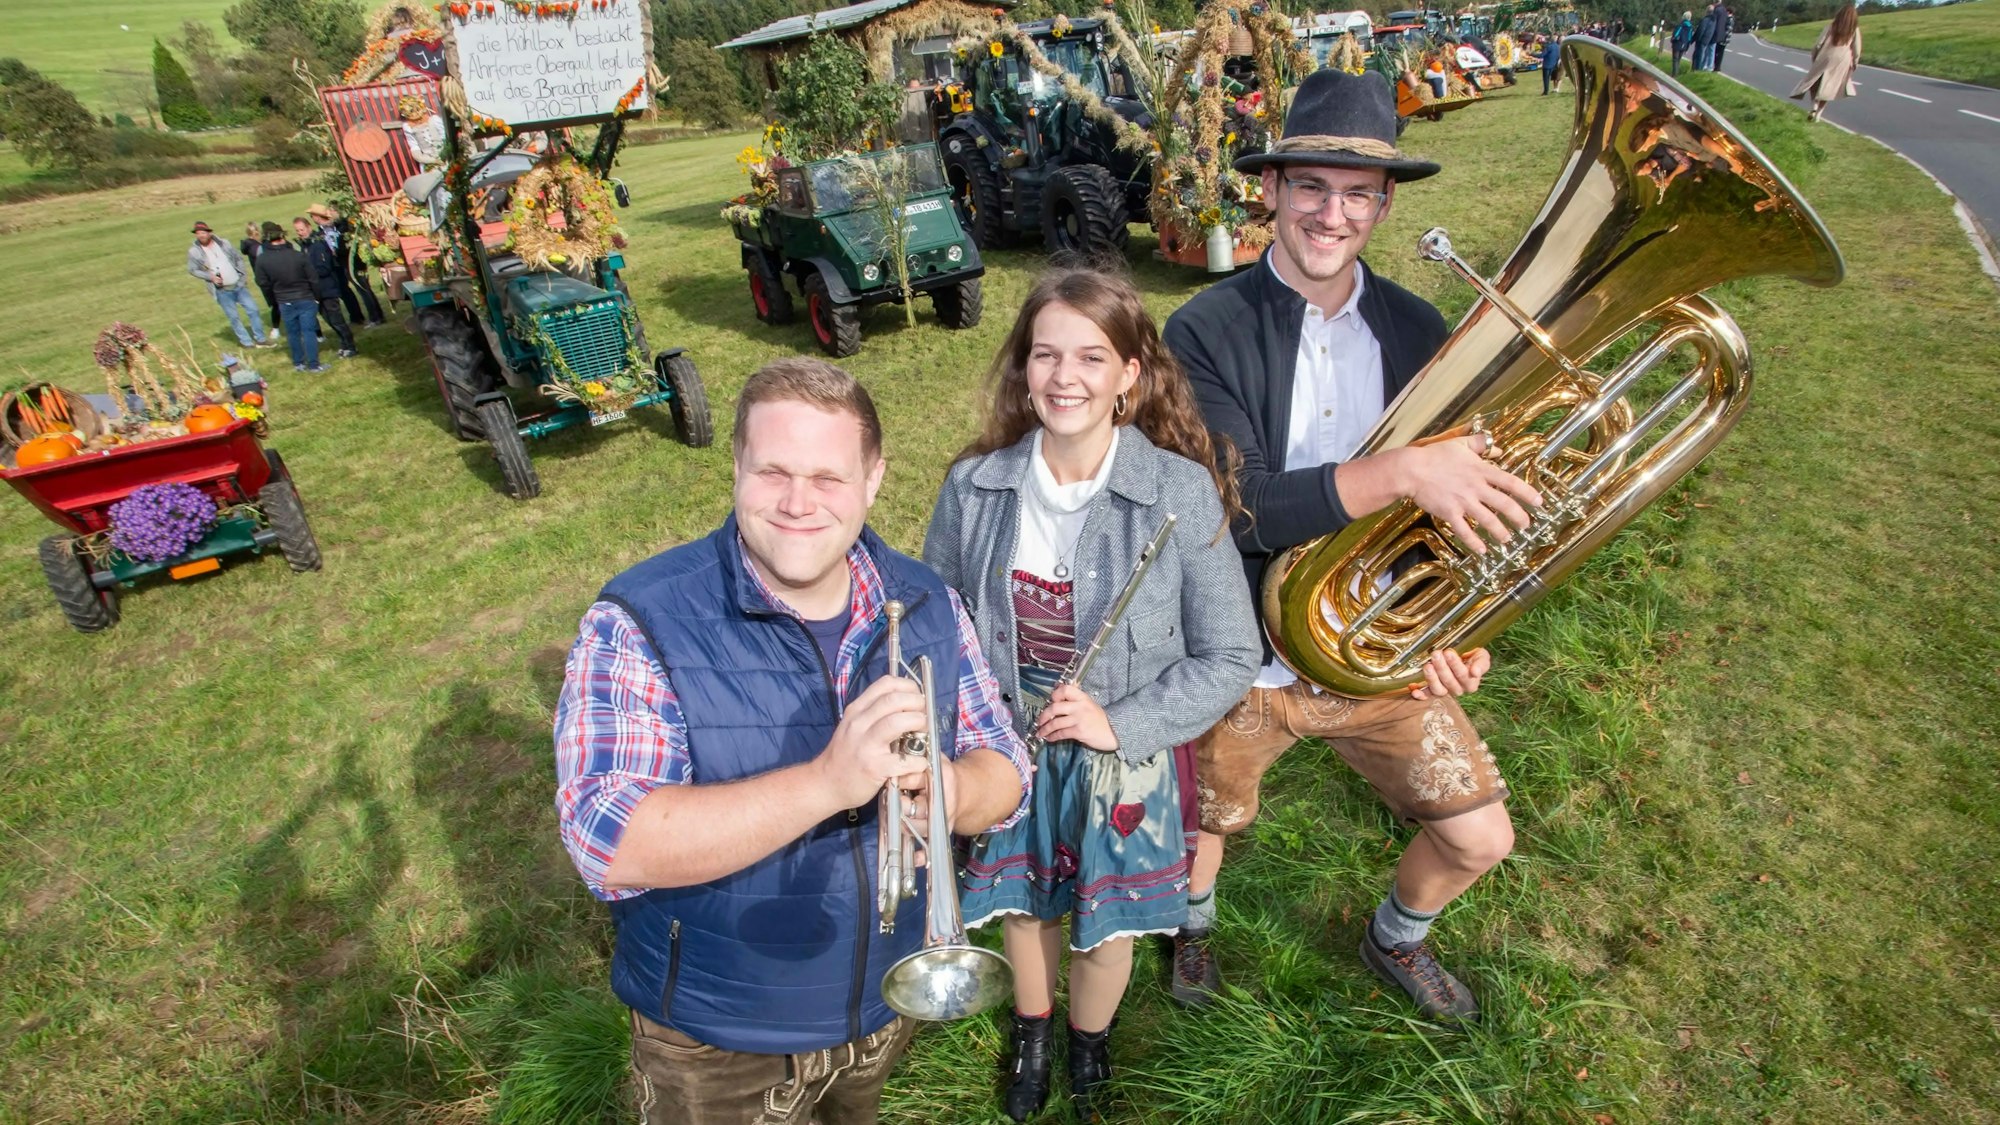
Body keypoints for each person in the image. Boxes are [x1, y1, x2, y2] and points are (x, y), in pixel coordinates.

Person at [553, 359, 1032, 1125]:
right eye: (772, 470)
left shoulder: (928, 601)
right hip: (717, 1037)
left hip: (881, 1001)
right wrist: (826, 782)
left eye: (828, 477)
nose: (799, 502)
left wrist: (954, 786)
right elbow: (608, 842)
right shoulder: (639, 617)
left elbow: (1007, 767)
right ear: (736, 466)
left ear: (873, 479)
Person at [1162, 68, 1540, 1022]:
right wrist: (1405, 469)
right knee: (1200, 826)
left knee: (1481, 837)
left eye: (1357, 193)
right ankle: (1193, 927)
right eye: (1312, 187)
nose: (1332, 214)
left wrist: (1455, 625)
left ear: (1385, 203)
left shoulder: (1420, 330)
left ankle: (1395, 937)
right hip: (1241, 651)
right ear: (1274, 190)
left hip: (1379, 656)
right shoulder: (1202, 328)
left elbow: (1454, 521)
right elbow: (1232, 506)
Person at [923, 269, 1260, 1123]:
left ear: (1129, 376)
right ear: (1023, 368)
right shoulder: (975, 487)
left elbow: (1231, 653)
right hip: (1011, 734)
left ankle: (1089, 1035)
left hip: (1123, 746)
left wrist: (1122, 722)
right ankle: (1036, 1030)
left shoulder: (1179, 490)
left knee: (1104, 921)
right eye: (1045, 355)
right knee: (1023, 896)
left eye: (1089, 356)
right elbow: (940, 624)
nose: (1063, 377)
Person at [252, 222, 330, 373]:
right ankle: (313, 364)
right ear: (282, 236)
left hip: (283, 300)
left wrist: (273, 299)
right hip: (305, 297)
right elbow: (313, 278)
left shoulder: (262, 260)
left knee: (293, 332)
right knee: (308, 331)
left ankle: (298, 363)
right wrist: (317, 297)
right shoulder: (298, 255)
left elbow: (262, 282)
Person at [185, 221, 273, 351]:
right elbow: (192, 270)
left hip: (238, 285)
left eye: (203, 232)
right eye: (198, 233)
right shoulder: (194, 252)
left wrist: (242, 277)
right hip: (222, 290)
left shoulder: (224, 243)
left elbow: (238, 258)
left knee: (253, 309)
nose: (200, 235)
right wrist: (210, 277)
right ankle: (246, 342)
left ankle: (260, 338)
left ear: (209, 232)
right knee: (234, 317)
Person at [306, 203, 386, 329]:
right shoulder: (320, 232)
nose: (312, 218)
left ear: (317, 216)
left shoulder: (343, 226)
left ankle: (376, 317)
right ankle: (357, 317)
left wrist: (336, 250)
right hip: (338, 264)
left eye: (312, 216)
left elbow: (347, 243)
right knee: (347, 291)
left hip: (352, 261)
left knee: (363, 289)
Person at [293, 217, 359, 359]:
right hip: (316, 291)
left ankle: (351, 345)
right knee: (328, 319)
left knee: (337, 319)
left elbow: (324, 268)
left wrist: (306, 273)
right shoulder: (305, 245)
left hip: (328, 287)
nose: (300, 233)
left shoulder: (318, 244)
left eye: (302, 230)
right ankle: (343, 343)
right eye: (297, 230)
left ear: (309, 227)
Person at [1791, 2, 1862, 123]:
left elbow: (1818, 44)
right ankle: (1818, 115)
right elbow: (1857, 49)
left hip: (1825, 57)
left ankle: (1813, 106)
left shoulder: (1831, 26)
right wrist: (1854, 63)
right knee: (1829, 87)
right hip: (1842, 60)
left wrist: (1815, 58)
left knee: (1813, 83)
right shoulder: (1854, 30)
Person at [240, 221, 281, 333]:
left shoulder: (250, 245)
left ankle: (277, 327)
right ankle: (276, 328)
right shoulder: (255, 247)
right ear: (256, 233)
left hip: (262, 278)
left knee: (277, 303)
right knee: (277, 303)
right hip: (267, 278)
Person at [1693, 2, 1720, 70]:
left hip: (1702, 39)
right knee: (1705, 54)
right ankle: (1701, 67)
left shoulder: (1706, 19)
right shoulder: (1714, 20)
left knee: (1699, 54)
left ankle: (1697, 68)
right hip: (1708, 39)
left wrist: (1697, 38)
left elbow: (1701, 29)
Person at [1671, 10, 1696, 75]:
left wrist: (1673, 40)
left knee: (1675, 60)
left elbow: (1676, 34)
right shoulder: (1690, 27)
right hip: (1684, 45)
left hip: (1677, 44)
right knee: (1679, 59)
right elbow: (1689, 37)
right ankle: (1676, 73)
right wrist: (1687, 46)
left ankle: (1674, 74)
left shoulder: (1681, 25)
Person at [1711, 4, 1734, 71]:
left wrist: (1722, 36)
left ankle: (1717, 67)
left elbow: (1728, 30)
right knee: (1718, 53)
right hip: (1724, 39)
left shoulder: (1730, 19)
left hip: (1724, 39)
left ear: (1729, 12)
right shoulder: (1729, 19)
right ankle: (1717, 66)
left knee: (1719, 53)